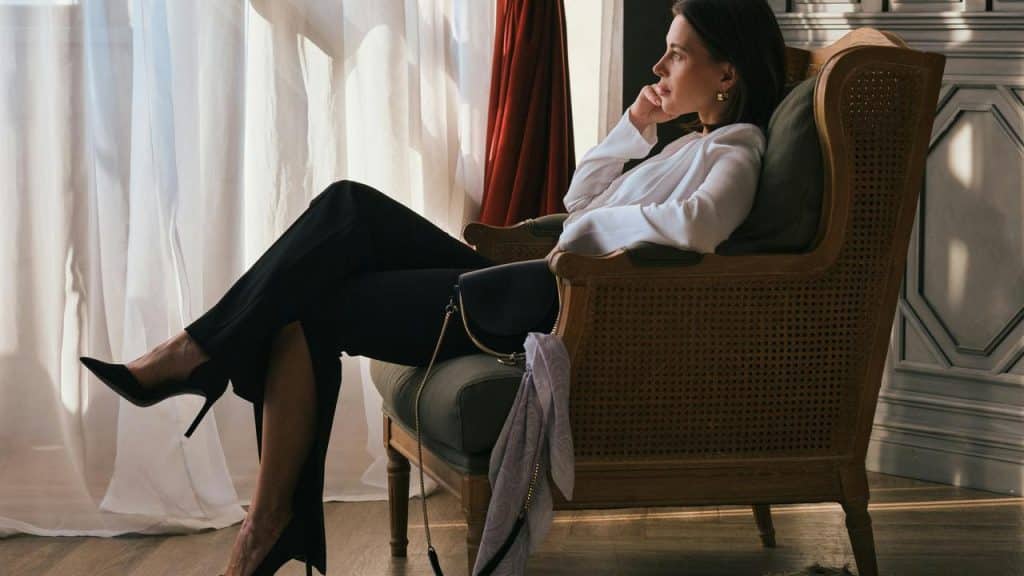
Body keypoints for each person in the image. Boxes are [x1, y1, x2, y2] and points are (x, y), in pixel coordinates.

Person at [79, 0, 786, 574]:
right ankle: (202, 371)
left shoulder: (739, 150)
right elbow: (579, 200)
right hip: (526, 282)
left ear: (726, 70)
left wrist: (590, 237)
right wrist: (636, 126)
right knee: (347, 206)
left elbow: (694, 228)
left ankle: (235, 458)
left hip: (542, 299)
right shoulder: (686, 140)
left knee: (307, 303)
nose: (660, 64)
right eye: (664, 48)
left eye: (679, 52)